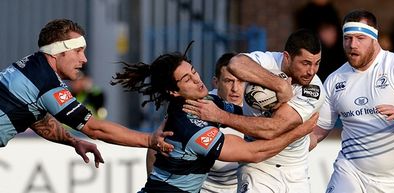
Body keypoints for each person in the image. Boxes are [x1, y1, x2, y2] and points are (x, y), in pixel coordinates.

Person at [111, 46, 318, 193]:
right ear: (173, 91)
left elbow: (242, 116)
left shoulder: (207, 101)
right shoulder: (189, 125)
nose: (197, 80)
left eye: (194, 72)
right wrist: (298, 130)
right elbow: (254, 153)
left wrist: (284, 112)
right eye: (187, 80)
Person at [0, 18, 174, 165]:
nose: (84, 59)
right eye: (78, 51)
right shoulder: (47, 83)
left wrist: (73, 141)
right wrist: (150, 140)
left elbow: (38, 120)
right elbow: (95, 129)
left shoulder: (32, 64)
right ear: (57, 51)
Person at [309, 9, 394, 193]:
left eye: (360, 38)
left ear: (374, 38)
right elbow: (319, 130)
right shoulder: (335, 80)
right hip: (350, 171)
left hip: (393, 182)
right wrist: (286, 146)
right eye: (347, 38)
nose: (352, 45)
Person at [184, 29, 324, 192]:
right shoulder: (269, 60)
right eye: (305, 63)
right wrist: (279, 85)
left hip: (296, 171)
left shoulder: (314, 89)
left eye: (317, 63)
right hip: (259, 169)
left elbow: (272, 129)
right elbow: (235, 64)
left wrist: (220, 116)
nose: (312, 71)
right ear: (286, 57)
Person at [201, 52, 246, 193]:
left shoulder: (259, 106)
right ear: (216, 82)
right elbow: (157, 146)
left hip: (244, 186)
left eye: (241, 81)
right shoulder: (201, 106)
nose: (235, 88)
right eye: (228, 81)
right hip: (203, 188)